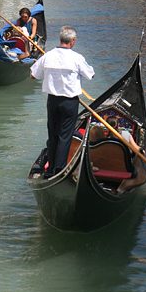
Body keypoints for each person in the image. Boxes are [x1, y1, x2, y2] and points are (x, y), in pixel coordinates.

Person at [30, 26, 95, 178]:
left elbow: (33, 75)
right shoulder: (77, 58)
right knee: (65, 136)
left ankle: (50, 169)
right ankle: (59, 170)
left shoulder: (48, 56)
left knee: (53, 135)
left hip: (52, 102)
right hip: (69, 102)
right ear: (72, 41)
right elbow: (91, 75)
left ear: (60, 39)